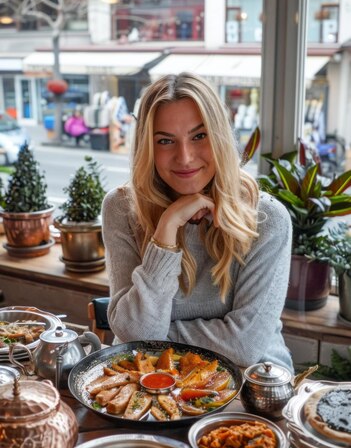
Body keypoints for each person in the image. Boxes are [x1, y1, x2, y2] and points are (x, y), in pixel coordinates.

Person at [102, 73, 293, 371]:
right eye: (165, 141)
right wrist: (165, 233)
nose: (185, 157)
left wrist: (158, 336)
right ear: (147, 149)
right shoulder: (122, 208)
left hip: (251, 384)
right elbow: (136, 333)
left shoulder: (267, 220)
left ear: (219, 137)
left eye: (199, 136)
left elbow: (243, 347)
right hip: (151, 379)